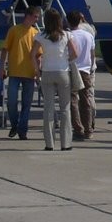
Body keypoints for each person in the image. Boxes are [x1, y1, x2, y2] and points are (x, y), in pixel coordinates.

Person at [0, 7, 41, 141]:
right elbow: (5, 49)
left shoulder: (36, 33)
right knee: (11, 102)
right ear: (27, 16)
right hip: (15, 72)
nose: (37, 19)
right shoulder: (14, 30)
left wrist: (38, 72)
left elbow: (39, 55)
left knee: (26, 104)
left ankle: (23, 130)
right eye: (35, 16)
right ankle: (14, 124)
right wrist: (2, 67)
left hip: (29, 73)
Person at [36, 9, 74, 151]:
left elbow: (32, 54)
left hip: (47, 72)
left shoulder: (41, 35)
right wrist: (65, 60)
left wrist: (36, 69)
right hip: (62, 72)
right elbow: (74, 53)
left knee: (48, 108)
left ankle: (49, 143)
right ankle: (66, 143)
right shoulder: (66, 35)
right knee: (65, 108)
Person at [65, 10, 96, 141]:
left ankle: (78, 129)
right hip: (85, 70)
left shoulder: (68, 36)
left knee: (72, 100)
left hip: (72, 69)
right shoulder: (88, 36)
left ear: (68, 21)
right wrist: (90, 67)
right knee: (86, 100)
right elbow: (92, 53)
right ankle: (88, 129)